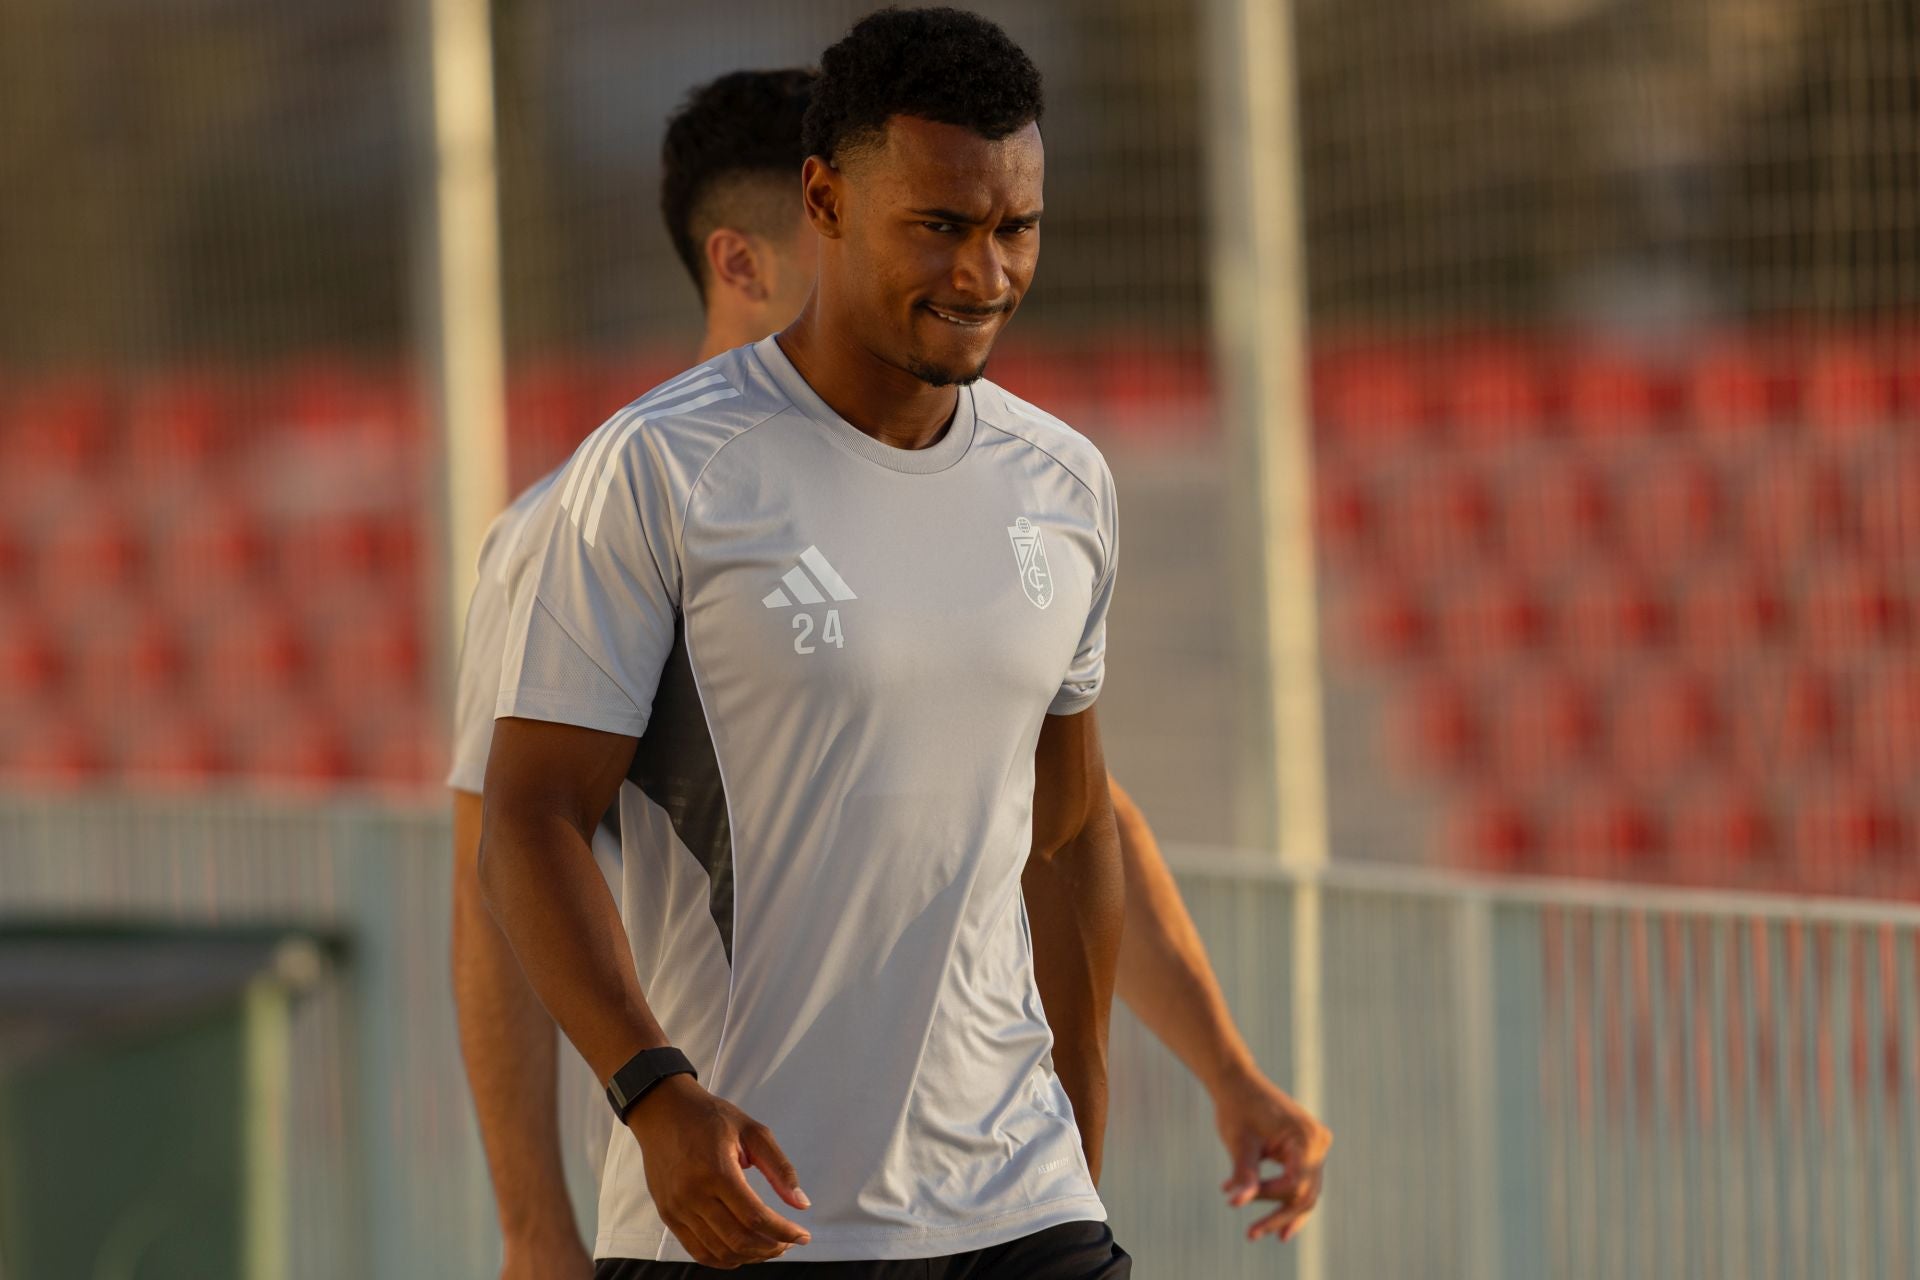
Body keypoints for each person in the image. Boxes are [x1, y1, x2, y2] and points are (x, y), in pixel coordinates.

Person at [452, 22, 1327, 1278]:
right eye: (939, 227)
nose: (983, 273)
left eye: (1014, 228)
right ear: (826, 200)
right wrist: (651, 1094)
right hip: (747, 1210)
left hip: (1024, 1208)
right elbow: (524, 821)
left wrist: (1079, 1138)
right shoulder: (660, 471)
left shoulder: (1064, 483)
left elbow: (1071, 829)